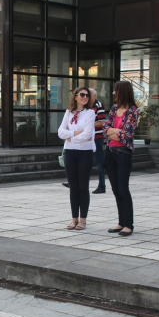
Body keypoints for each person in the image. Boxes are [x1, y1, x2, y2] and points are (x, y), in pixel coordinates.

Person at [103, 81, 138, 237]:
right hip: (110, 152)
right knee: (116, 189)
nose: (113, 93)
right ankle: (121, 222)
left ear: (122, 92)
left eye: (115, 90)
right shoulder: (114, 109)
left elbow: (127, 135)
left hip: (123, 153)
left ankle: (128, 224)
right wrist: (115, 131)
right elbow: (105, 130)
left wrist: (113, 131)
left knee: (123, 189)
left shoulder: (132, 111)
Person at [58, 87, 96, 230]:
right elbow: (60, 132)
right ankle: (74, 219)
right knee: (73, 187)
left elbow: (87, 135)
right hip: (70, 153)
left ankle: (83, 220)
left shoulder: (90, 113)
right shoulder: (69, 113)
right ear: (75, 97)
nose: (85, 97)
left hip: (84, 153)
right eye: (82, 95)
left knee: (82, 186)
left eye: (87, 95)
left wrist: (70, 137)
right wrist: (75, 133)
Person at [91, 88, 107, 194]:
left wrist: (88, 125)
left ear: (95, 96)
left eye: (89, 95)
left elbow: (102, 122)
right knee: (85, 161)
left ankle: (102, 186)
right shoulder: (87, 106)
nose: (86, 97)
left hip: (97, 138)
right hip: (89, 138)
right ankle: (75, 182)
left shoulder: (99, 105)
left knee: (99, 162)